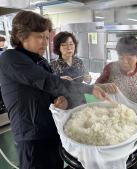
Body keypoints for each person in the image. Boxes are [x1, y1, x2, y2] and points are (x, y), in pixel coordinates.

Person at [0, 11, 107, 169]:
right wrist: (89, 89)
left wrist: (61, 101)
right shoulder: (10, 58)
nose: (44, 42)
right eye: (39, 37)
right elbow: (49, 82)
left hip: (51, 131)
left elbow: (51, 91)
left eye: (46, 37)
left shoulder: (41, 61)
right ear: (21, 35)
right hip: (32, 137)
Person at [96, 36, 137, 111]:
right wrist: (103, 87)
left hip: (133, 114)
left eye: (129, 58)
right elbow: (95, 87)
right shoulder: (110, 68)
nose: (124, 62)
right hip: (111, 112)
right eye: (121, 57)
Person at [50, 31, 92, 105]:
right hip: (63, 103)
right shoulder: (53, 64)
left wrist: (88, 79)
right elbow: (50, 87)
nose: (69, 48)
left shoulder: (78, 61)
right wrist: (60, 81)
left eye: (71, 44)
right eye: (64, 45)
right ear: (58, 47)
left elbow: (88, 79)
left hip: (80, 100)